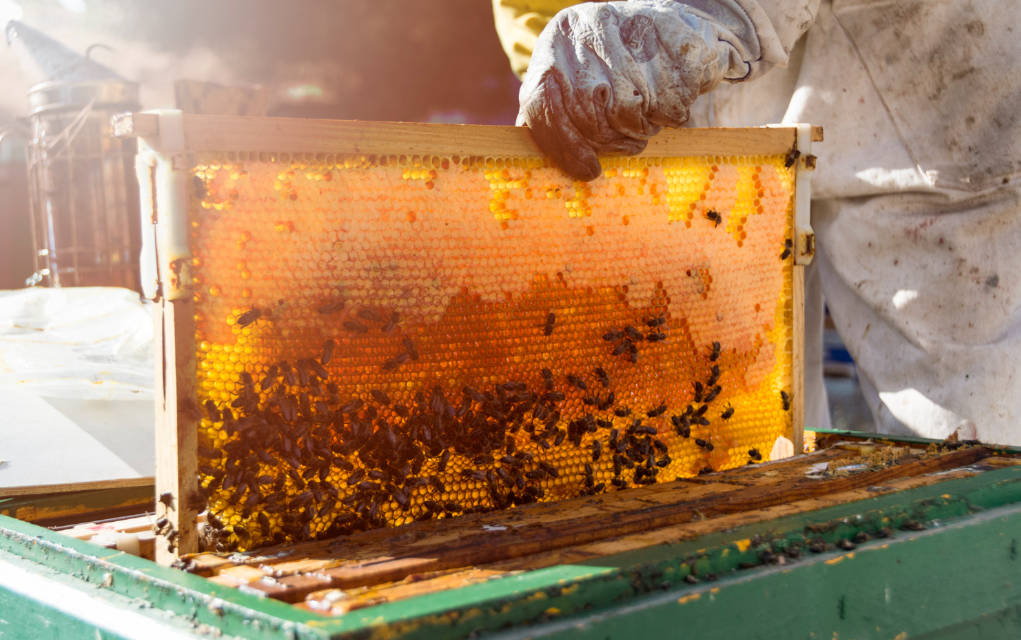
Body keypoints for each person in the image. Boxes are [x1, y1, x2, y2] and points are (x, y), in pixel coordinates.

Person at [492, 0, 1021, 445]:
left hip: (922, 90)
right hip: (697, 112)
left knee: (976, 442)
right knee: (750, 435)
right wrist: (568, 68)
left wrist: (699, 11)